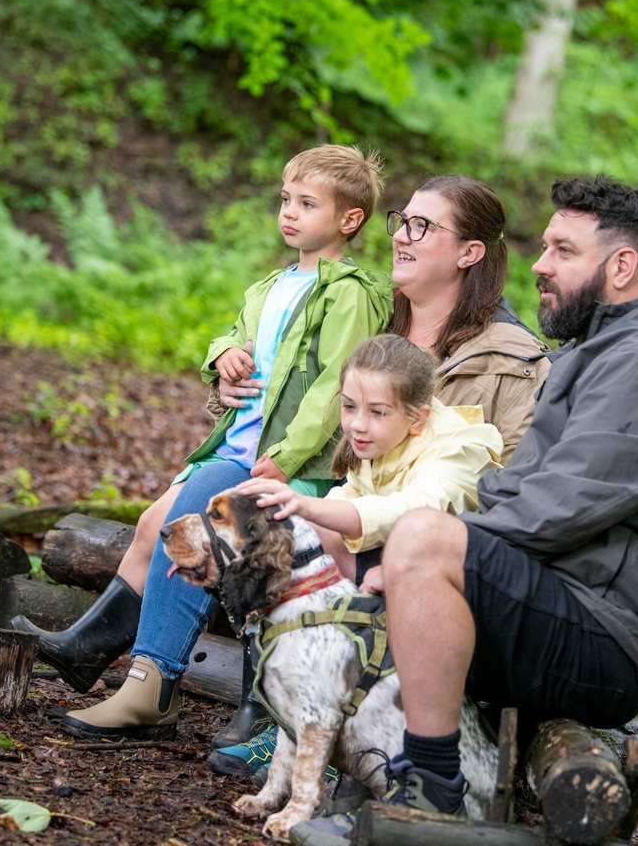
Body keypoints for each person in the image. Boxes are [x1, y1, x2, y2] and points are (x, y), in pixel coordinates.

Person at [291, 175, 638, 844]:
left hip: (614, 635)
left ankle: (433, 787)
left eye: (562, 250)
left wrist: (418, 550)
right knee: (352, 535)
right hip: (567, 599)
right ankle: (355, 753)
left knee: (417, 541)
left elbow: (561, 508)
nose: (538, 263)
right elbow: (510, 488)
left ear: (620, 266)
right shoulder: (596, 352)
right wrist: (393, 550)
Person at [12, 144, 394, 737]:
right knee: (149, 524)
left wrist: (284, 460)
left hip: (280, 459)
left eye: (308, 204)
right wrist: (223, 356)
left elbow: (334, 387)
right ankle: (89, 652)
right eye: (286, 200)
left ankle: (170, 689)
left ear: (349, 220)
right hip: (235, 446)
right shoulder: (270, 286)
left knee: (195, 526)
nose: (290, 213)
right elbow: (236, 339)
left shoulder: (348, 292)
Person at [208, 176, 551, 766]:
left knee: (308, 523)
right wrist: (224, 377)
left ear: (470, 253)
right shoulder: (373, 322)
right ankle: (275, 707)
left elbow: (513, 492)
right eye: (403, 221)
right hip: (348, 511)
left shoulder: (513, 362)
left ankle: (322, 727)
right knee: (244, 510)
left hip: (440, 549)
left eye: (424, 226)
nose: (401, 237)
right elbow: (292, 395)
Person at [237, 333, 503, 590]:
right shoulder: (383, 440)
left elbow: (412, 513)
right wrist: (293, 515)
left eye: (377, 412)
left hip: (459, 581)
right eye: (349, 406)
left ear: (419, 419)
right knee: (303, 533)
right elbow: (349, 496)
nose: (357, 425)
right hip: (401, 555)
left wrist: (306, 505)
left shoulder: (457, 451)